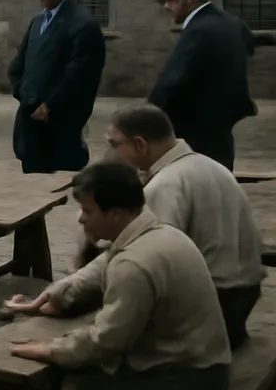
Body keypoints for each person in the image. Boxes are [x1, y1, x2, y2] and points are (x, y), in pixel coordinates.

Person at [8, 162, 231, 390]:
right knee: (78, 366)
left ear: (114, 214)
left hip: (190, 377)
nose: (81, 218)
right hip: (202, 362)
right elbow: (99, 268)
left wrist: (50, 350)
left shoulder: (133, 263)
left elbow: (106, 341)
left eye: (87, 211)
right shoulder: (159, 233)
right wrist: (56, 295)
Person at [104, 104, 264, 347]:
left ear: (140, 144)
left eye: (114, 144)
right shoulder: (212, 166)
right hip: (243, 296)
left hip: (211, 307)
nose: (111, 153)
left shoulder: (166, 184)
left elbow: (151, 260)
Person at [148, 0, 256, 171]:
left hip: (195, 126)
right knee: (219, 176)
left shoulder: (199, 30)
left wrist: (151, 110)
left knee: (196, 179)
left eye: (173, 1)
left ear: (191, 1)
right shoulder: (233, 23)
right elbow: (248, 49)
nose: (167, 6)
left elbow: (174, 79)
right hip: (223, 123)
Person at [8, 0, 106, 174]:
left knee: (58, 175)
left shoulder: (82, 24)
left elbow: (79, 73)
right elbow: (20, 61)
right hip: (30, 112)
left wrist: (50, 104)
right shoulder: (37, 21)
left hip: (58, 118)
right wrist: (21, 91)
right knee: (33, 170)